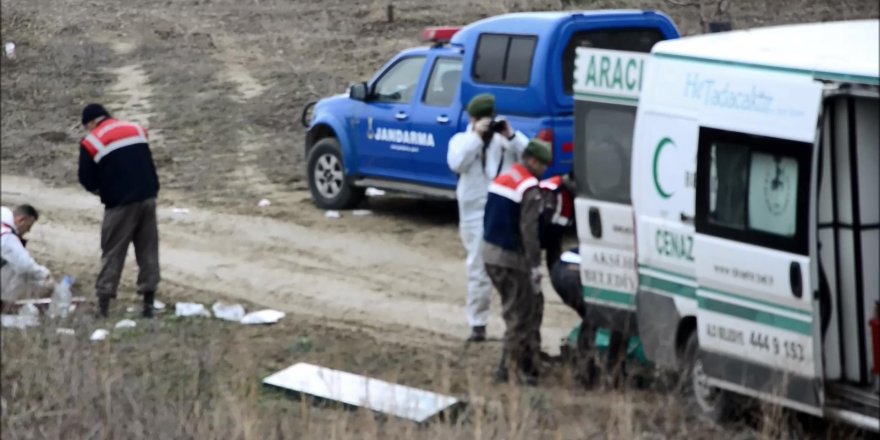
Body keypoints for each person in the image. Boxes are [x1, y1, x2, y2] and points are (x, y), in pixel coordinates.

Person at [447, 93, 529, 342]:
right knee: (478, 267)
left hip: (501, 212)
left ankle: (513, 324)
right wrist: (476, 138)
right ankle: (478, 323)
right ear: (472, 119)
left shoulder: (504, 141)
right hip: (473, 214)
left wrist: (511, 135)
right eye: (482, 119)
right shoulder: (462, 140)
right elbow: (456, 163)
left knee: (508, 268)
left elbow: (530, 157)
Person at [78, 103, 161, 318]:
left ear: (91, 122)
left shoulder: (92, 141)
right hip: (148, 197)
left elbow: (86, 179)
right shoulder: (136, 129)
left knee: (113, 252)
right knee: (148, 250)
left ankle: (104, 307)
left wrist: (105, 192)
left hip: (120, 204)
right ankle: (148, 304)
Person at [481, 138, 552, 385]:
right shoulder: (529, 187)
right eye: (543, 165)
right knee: (521, 315)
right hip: (512, 259)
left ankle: (515, 366)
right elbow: (529, 230)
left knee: (516, 310)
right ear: (532, 161)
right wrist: (534, 265)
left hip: (489, 253)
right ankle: (513, 371)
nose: (545, 170)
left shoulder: (507, 176)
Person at [1, 204, 54, 309]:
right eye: (28, 226)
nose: (28, 231)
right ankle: (5, 307)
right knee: (18, 271)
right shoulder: (6, 236)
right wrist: (45, 275)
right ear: (22, 220)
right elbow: (24, 265)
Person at [538, 172, 575, 272]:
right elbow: (545, 213)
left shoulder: (564, 188)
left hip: (554, 229)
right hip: (545, 228)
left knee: (553, 251)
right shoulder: (556, 190)